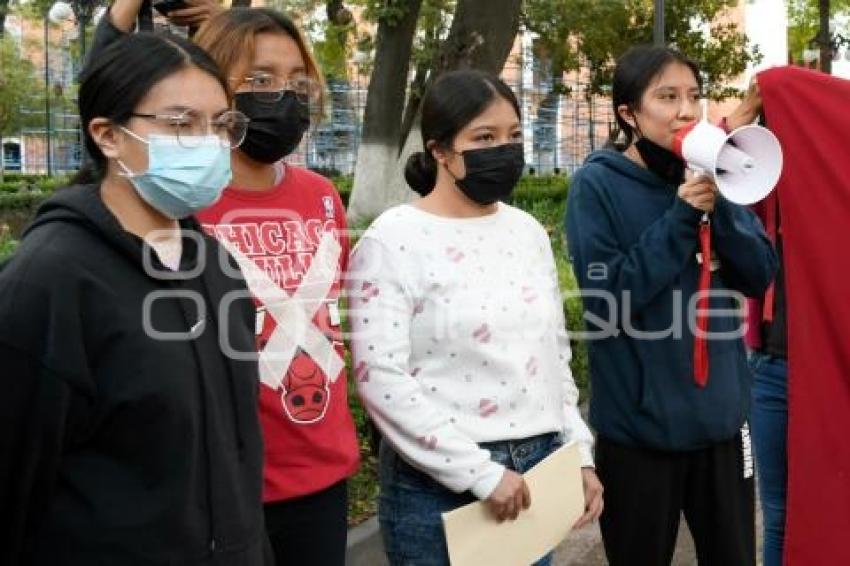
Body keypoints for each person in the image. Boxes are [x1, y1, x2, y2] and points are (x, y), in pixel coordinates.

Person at [90, 5, 361, 565]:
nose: (281, 96)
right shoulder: (171, 202)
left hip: (322, 479)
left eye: (296, 81)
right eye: (258, 79)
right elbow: (104, 100)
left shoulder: (321, 196)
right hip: (215, 495)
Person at [0, 33, 268, 564]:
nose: (208, 143)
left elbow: (235, 451)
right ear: (108, 135)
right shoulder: (47, 282)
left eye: (219, 125)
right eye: (179, 124)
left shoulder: (215, 266)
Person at [348, 70, 604, 566]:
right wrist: (479, 474)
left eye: (512, 136)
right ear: (440, 151)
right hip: (438, 489)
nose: (504, 150)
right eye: (484, 138)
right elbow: (380, 378)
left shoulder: (527, 231)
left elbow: (552, 358)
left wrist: (578, 454)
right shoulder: (392, 240)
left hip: (538, 471)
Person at [565, 45, 778, 566]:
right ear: (628, 114)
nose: (686, 111)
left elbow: (759, 275)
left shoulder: (715, 178)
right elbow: (608, 300)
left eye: (693, 96)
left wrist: (720, 203)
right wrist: (681, 219)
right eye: (667, 97)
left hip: (723, 426)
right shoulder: (597, 186)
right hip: (640, 435)